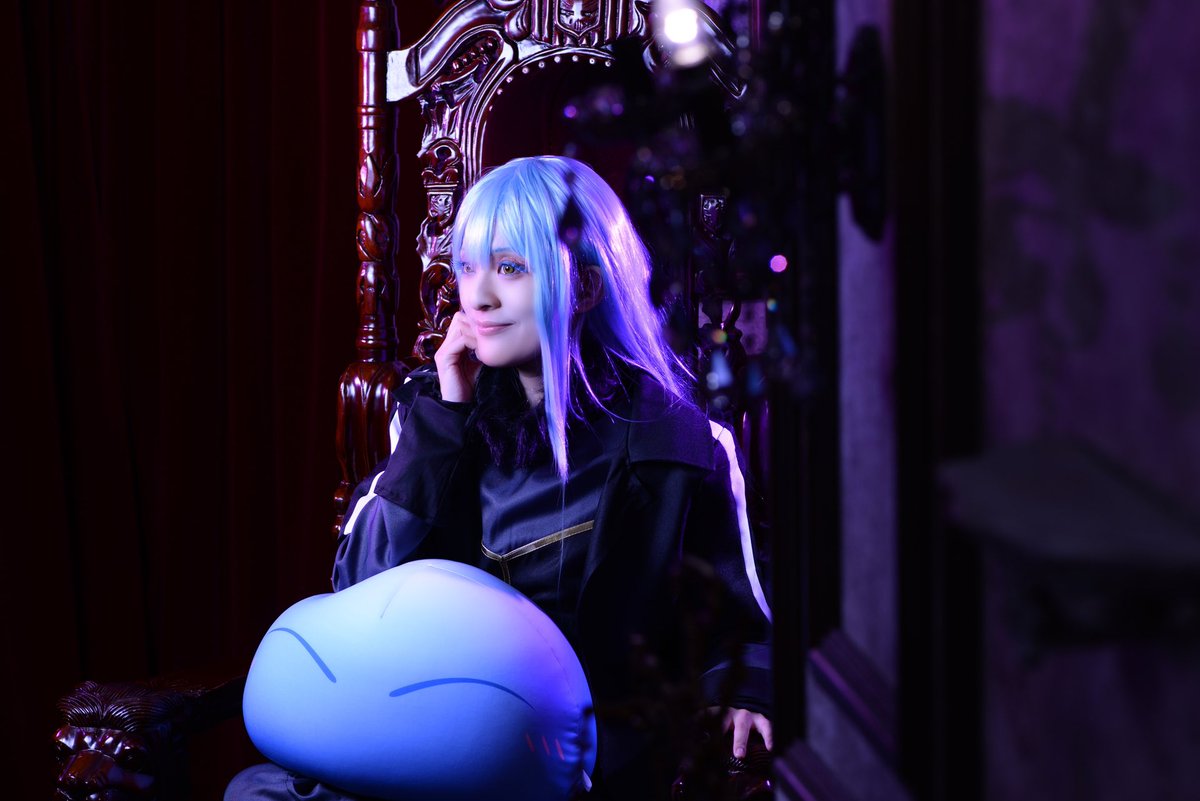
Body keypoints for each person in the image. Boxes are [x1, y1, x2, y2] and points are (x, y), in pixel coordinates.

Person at [226, 156, 772, 800]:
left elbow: (744, 622)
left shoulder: (681, 446)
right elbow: (359, 586)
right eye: (467, 266)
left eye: (510, 268)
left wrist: (743, 693)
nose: (478, 296)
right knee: (254, 791)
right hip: (407, 733)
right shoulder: (431, 414)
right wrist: (445, 421)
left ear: (586, 287)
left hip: (565, 761)